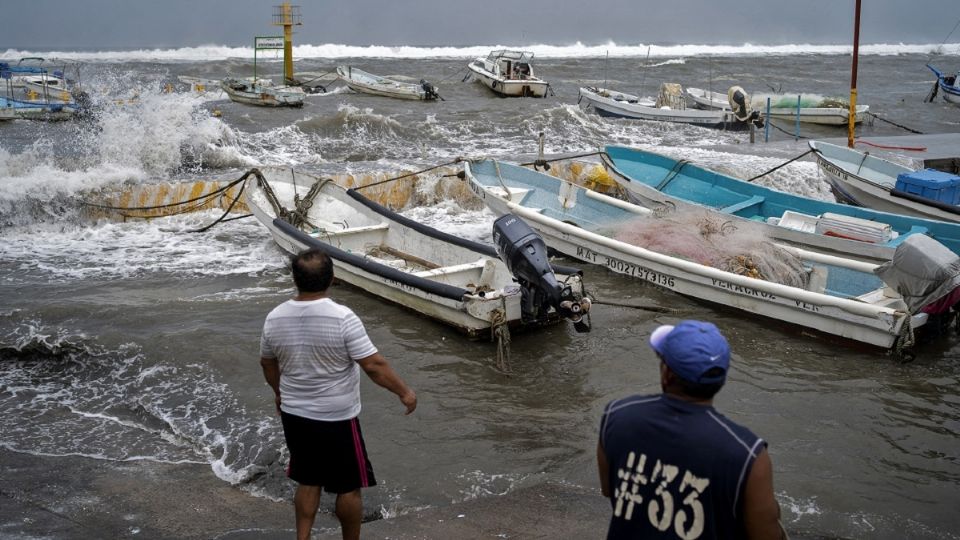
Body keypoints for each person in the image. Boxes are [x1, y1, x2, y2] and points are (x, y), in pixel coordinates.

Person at [260, 248, 417, 540]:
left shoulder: (275, 318)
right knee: (348, 486)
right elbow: (373, 365)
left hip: (295, 415)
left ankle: (303, 538)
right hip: (337, 417)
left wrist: (279, 393)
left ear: (295, 279)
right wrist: (404, 392)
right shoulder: (342, 317)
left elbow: (267, 363)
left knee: (307, 480)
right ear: (332, 278)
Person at [596, 320, 783, 540]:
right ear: (721, 379)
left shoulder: (616, 416)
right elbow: (767, 535)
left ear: (666, 373)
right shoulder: (748, 454)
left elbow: (610, 490)